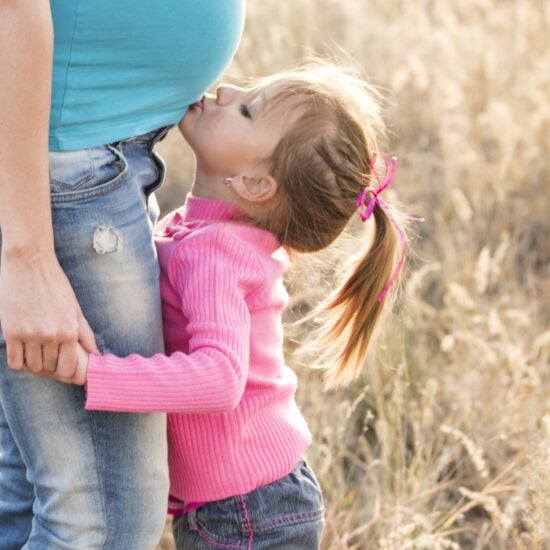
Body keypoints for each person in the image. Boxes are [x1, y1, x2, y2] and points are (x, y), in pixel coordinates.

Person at [35, 62, 414, 549]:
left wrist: (95, 372)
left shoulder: (215, 252)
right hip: (242, 506)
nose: (228, 89)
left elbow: (219, 378)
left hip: (251, 514)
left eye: (247, 109)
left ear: (256, 184)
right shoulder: (194, 230)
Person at [0, 1, 245, 548]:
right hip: (62, 171)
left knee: (30, 500)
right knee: (104, 525)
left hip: (90, 161)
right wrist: (29, 258)